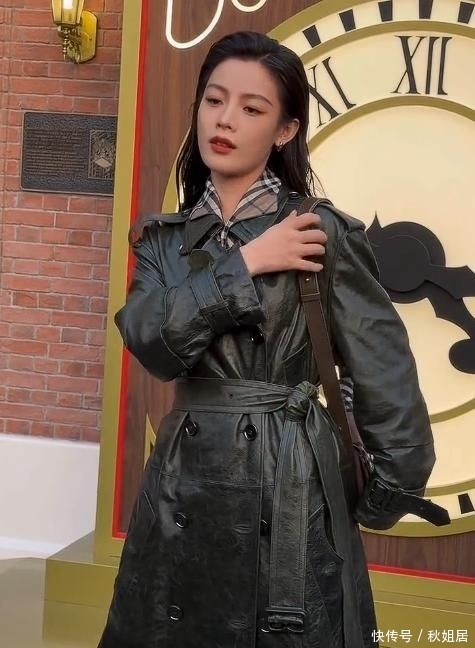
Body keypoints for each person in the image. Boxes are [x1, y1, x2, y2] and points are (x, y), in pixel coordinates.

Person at [98, 31, 438, 648]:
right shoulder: (162, 240)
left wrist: (377, 498)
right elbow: (150, 343)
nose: (225, 120)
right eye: (214, 100)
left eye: (252, 108)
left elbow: (384, 370)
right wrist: (246, 263)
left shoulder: (320, 232)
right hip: (182, 483)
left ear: (284, 130)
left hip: (291, 485)